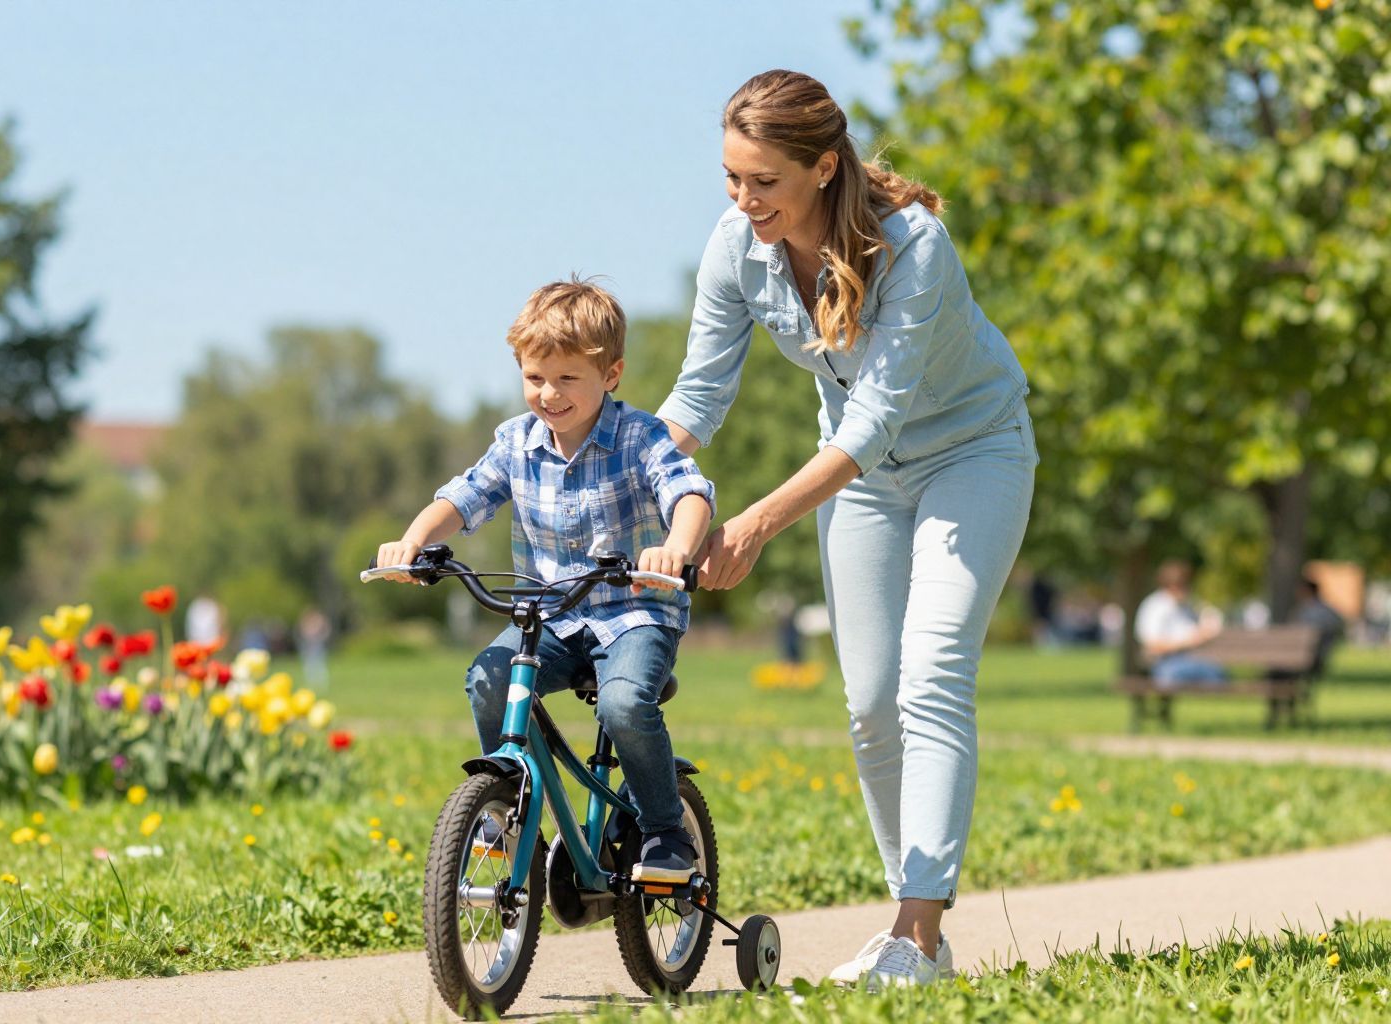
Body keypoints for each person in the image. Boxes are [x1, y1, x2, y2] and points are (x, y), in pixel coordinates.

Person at [655, 70, 1037, 988]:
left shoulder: (916, 246)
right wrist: (618, 475)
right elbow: (698, 395)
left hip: (970, 454)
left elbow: (874, 422)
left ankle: (918, 932)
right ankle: (915, 935)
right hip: (862, 479)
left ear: (824, 168)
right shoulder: (737, 248)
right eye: (731, 179)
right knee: (869, 703)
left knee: (933, 666)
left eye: (764, 183)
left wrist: (753, 523)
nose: (745, 202)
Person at [377, 278, 715, 882]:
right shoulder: (515, 441)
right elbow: (465, 495)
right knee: (488, 679)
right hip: (550, 616)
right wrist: (413, 541)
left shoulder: (640, 436)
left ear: (610, 374)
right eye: (535, 378)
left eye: (567, 379)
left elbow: (687, 491)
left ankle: (665, 829)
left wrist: (675, 548)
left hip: (635, 612)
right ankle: (511, 808)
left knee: (622, 703)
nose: (548, 394)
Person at [1133, 560, 1226, 688]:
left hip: (1193, 659)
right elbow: (1152, 646)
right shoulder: (1155, 606)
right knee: (1173, 675)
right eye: (1182, 585)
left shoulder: (1188, 606)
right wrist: (1188, 642)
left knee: (1217, 674)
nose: (1186, 589)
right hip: (1166, 663)